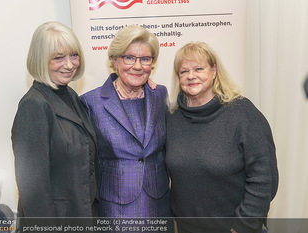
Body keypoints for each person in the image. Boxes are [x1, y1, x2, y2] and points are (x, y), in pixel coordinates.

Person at [165, 41, 279, 233]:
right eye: (184, 71)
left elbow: (265, 177)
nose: (191, 76)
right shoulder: (172, 117)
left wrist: (243, 226)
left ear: (214, 71)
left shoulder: (242, 113)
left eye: (199, 68)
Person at [11, 22, 98, 229]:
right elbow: (33, 190)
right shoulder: (34, 105)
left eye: (74, 55)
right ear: (40, 60)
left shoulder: (69, 95)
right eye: (58, 57)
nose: (69, 65)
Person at [80, 25, 171, 218]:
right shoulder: (91, 102)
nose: (137, 66)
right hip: (115, 209)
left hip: (159, 204)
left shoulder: (160, 94)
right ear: (114, 60)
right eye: (129, 57)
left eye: (145, 59)